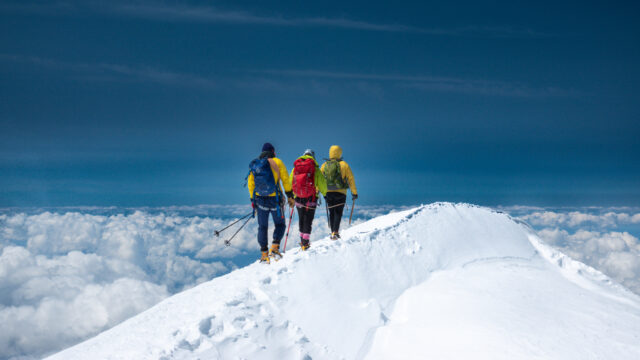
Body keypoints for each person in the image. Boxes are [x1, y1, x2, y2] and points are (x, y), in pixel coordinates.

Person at [247, 142, 295, 263]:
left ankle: (264, 254)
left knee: (262, 227)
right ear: (273, 152)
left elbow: (251, 183)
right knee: (280, 225)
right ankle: (274, 248)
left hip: (260, 199)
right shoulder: (277, 162)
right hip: (276, 200)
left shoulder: (256, 165)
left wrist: (253, 200)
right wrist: (290, 195)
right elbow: (285, 179)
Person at [289, 149, 327, 251]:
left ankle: (302, 241)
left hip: (298, 199)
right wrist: (325, 194)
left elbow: (290, 182)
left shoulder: (295, 168)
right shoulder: (315, 168)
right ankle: (305, 243)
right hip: (311, 198)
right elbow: (322, 183)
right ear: (312, 156)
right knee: (308, 220)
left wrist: (291, 196)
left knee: (301, 219)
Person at [321, 145, 358, 240]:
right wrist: (354, 193)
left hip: (328, 192)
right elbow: (350, 179)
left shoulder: (325, 165)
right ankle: (335, 232)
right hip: (341, 192)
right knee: (338, 212)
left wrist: (318, 192)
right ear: (340, 152)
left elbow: (319, 179)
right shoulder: (344, 164)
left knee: (332, 212)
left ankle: (333, 231)